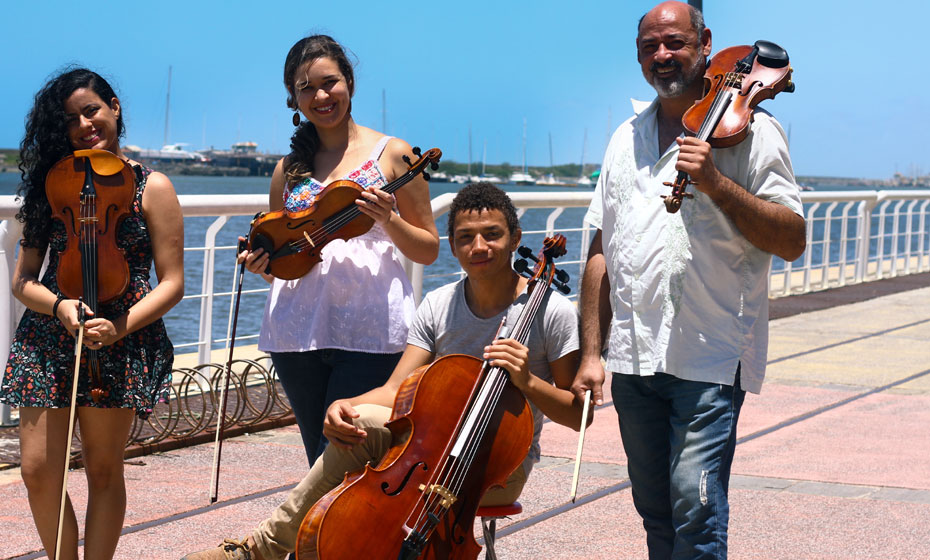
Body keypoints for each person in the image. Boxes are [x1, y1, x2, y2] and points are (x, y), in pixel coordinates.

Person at [184, 182, 584, 560]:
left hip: (496, 469)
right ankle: (265, 549)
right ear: (452, 245)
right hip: (430, 449)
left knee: (377, 469)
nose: (479, 247)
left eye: (492, 234)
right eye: (465, 237)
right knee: (357, 428)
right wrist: (345, 405)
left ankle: (263, 552)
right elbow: (396, 389)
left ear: (515, 239)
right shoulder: (439, 304)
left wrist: (527, 381)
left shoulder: (552, 312)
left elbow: (577, 414)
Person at [572, 2, 806, 558]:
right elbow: (602, 249)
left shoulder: (754, 131)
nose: (662, 55)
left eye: (675, 42)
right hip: (633, 358)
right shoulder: (624, 137)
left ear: (706, 44)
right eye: (649, 46)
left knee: (696, 515)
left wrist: (717, 183)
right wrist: (591, 353)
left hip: (709, 359)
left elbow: (792, 238)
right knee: (655, 513)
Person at [0, 68, 184, 560]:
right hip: (49, 335)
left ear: (114, 107)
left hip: (121, 336)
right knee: (38, 470)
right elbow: (23, 280)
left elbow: (173, 282)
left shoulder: (152, 186)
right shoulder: (52, 184)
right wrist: (59, 305)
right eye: (70, 119)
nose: (84, 125)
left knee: (103, 471)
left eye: (91, 111)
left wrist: (119, 326)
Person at [240, 34, 439, 465]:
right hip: (296, 332)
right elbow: (284, 262)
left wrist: (389, 219)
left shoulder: (394, 154)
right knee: (318, 460)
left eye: (329, 82)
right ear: (293, 98)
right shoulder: (287, 170)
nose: (320, 96)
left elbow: (428, 249)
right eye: (306, 88)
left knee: (346, 459)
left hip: (372, 329)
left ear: (349, 81)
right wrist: (261, 264)